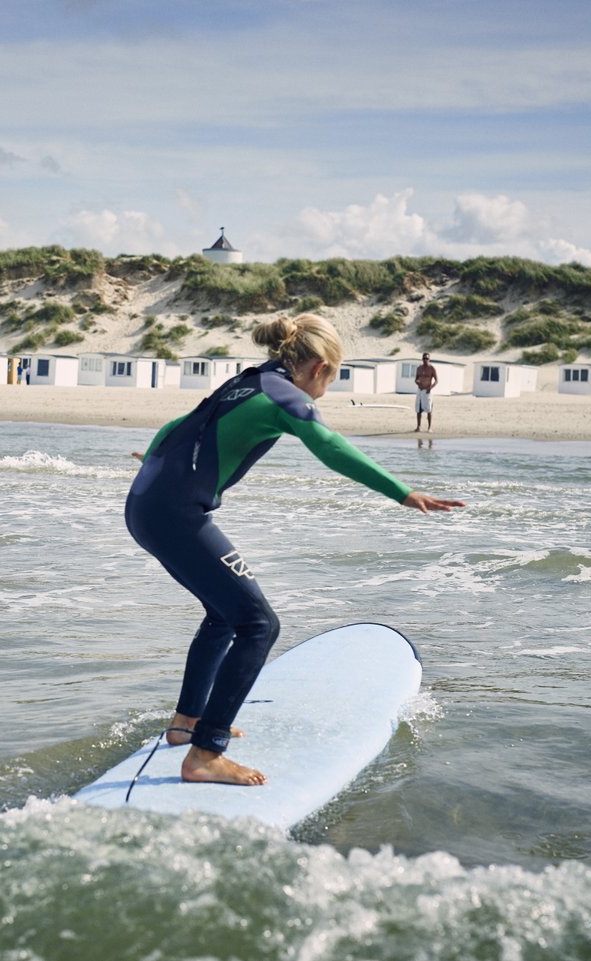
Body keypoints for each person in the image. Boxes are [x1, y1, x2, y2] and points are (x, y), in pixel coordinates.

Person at [125, 314, 465, 786]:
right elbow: (330, 446)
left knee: (224, 615)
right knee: (259, 624)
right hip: (175, 516)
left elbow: (178, 424)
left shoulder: (248, 381)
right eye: (333, 378)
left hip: (145, 505)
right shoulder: (285, 395)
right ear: (320, 367)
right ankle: (206, 753)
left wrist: (155, 459)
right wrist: (402, 492)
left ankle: (187, 724)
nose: (326, 388)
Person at [414, 353, 438, 433]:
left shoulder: (432, 368)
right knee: (418, 409)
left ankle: (429, 427)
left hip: (427, 391)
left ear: (429, 359)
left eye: (427, 358)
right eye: (424, 358)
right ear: (422, 359)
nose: (425, 360)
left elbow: (436, 381)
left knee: (429, 410)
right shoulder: (419, 368)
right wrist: (418, 383)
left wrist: (430, 388)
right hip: (420, 390)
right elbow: (416, 379)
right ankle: (418, 427)